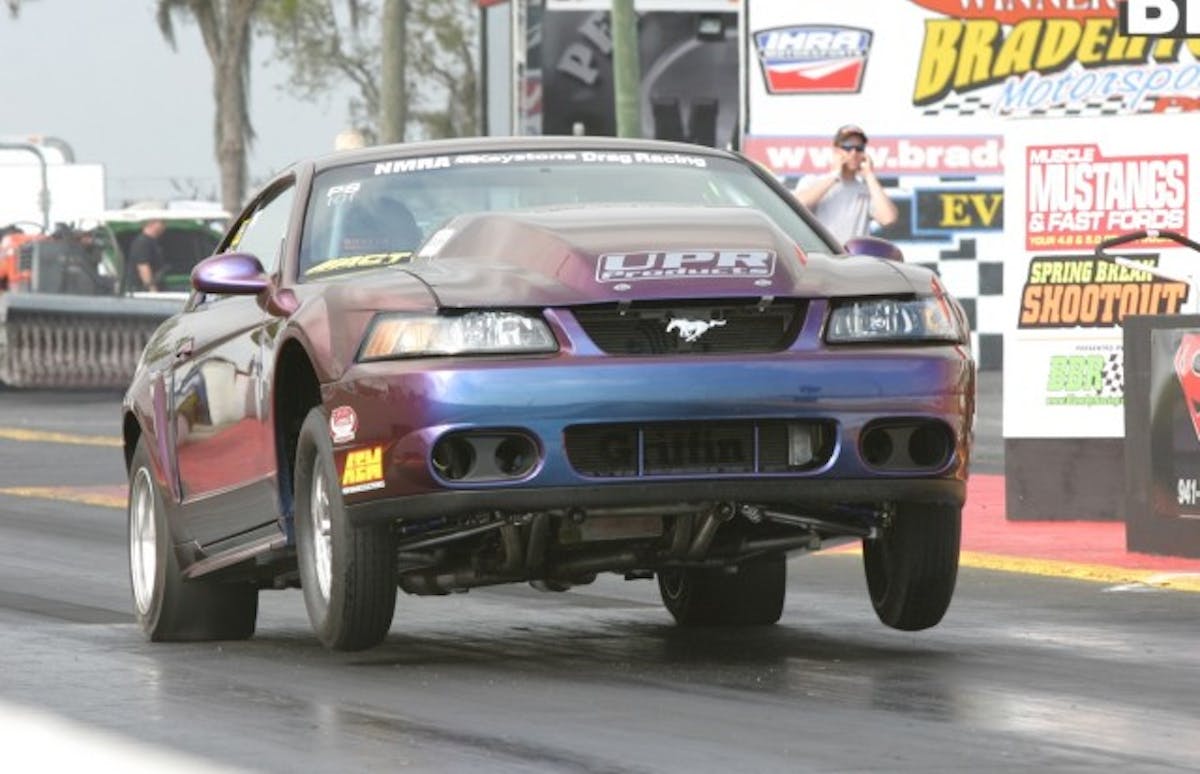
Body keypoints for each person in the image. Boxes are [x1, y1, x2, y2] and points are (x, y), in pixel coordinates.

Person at [794, 124, 898, 245]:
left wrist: (869, 175)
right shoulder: (812, 181)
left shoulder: (867, 190)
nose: (853, 153)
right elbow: (797, 205)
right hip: (822, 259)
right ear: (836, 151)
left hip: (853, 261)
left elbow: (888, 219)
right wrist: (835, 175)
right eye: (847, 147)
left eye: (859, 148)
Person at [127, 218, 167, 291]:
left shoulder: (152, 242)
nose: (165, 226)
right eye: (162, 222)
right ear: (151, 223)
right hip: (142, 291)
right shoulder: (143, 242)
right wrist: (152, 290)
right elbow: (143, 266)